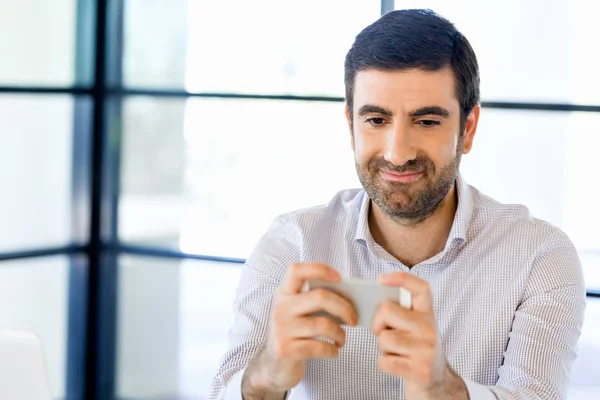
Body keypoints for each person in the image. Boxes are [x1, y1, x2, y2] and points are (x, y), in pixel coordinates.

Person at [207, 9, 585, 400]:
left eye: (426, 122)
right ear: (351, 126)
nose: (398, 153)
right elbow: (223, 390)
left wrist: (444, 390)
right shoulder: (291, 245)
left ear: (467, 129)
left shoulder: (540, 257)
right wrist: (266, 376)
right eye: (376, 120)